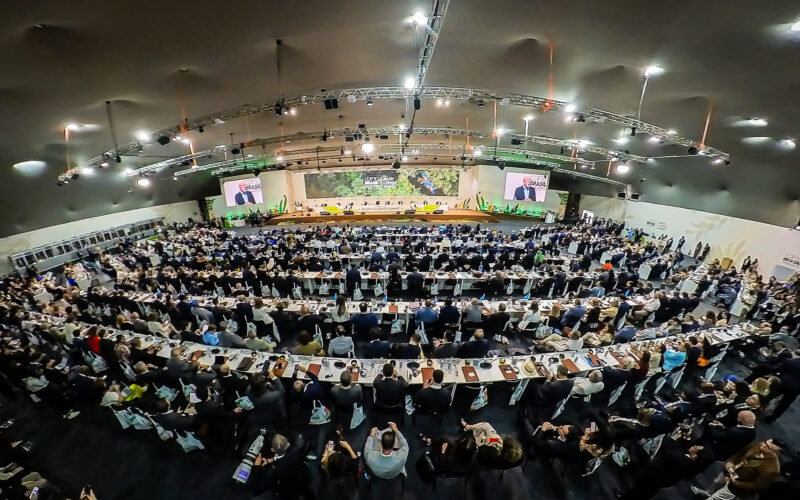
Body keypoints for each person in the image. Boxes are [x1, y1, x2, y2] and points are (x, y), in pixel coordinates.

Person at [691, 439, 784, 499]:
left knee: (717, 498)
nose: (763, 445)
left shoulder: (772, 469)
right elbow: (740, 453)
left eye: (767, 447)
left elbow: (757, 485)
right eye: (765, 442)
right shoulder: (758, 445)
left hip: (737, 486)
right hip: (730, 471)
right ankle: (707, 493)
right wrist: (729, 463)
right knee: (717, 483)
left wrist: (735, 482)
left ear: (775, 453)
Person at [764, 355, 800, 422]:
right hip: (795, 389)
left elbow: (775, 369)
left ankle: (758, 406)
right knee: (784, 405)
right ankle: (772, 418)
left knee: (769, 395)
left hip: (781, 382)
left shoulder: (790, 361)